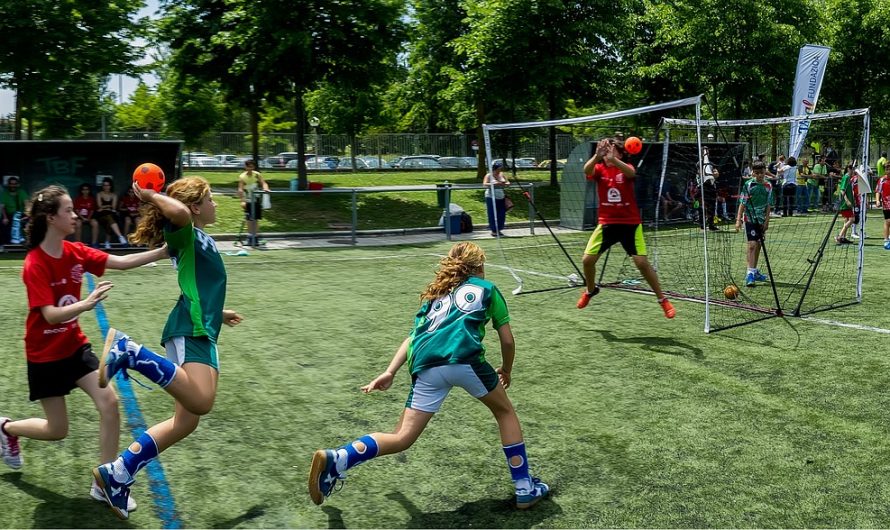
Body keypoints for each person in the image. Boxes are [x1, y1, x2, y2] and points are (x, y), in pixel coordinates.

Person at [307, 242, 549, 509]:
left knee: (401, 437)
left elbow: (413, 337)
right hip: (465, 359)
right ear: (479, 266)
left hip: (426, 366)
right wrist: (507, 369)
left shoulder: (436, 295)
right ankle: (525, 487)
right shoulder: (487, 289)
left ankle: (339, 457)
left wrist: (390, 371)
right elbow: (507, 339)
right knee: (505, 413)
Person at [0, 185, 167, 512]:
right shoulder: (34, 263)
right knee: (56, 430)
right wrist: (85, 303)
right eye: (68, 211)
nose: (75, 215)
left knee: (109, 402)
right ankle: (5, 429)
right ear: (51, 218)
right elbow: (49, 314)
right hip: (44, 356)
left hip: (73, 347)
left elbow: (120, 262)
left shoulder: (76, 251)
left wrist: (161, 252)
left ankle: (103, 483)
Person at [91, 176, 243, 520]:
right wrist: (149, 194)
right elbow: (178, 215)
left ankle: (118, 474)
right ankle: (130, 352)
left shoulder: (198, 238)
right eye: (209, 199)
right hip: (191, 328)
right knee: (202, 401)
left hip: (201, 326)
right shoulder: (186, 230)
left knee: (185, 421)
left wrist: (220, 312)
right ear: (194, 207)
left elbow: (198, 284)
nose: (215, 204)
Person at [576, 138, 675, 319]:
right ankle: (590, 290)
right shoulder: (599, 168)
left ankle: (663, 299)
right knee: (587, 260)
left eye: (610, 151)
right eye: (605, 151)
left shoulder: (626, 167)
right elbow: (586, 170)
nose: (607, 154)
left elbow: (630, 173)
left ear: (620, 153)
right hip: (607, 223)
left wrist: (614, 160)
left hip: (630, 224)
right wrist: (597, 156)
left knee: (641, 263)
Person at [734, 161, 774, 287]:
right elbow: (742, 203)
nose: (759, 175)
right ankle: (749, 274)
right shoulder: (749, 184)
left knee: (759, 245)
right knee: (752, 244)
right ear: (753, 172)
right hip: (750, 217)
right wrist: (738, 218)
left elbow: (768, 205)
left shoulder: (768, 185)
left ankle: (754, 270)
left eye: (761, 173)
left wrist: (767, 221)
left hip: (761, 219)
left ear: (765, 171)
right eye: (756, 173)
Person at [237, 159, 270, 247]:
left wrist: (265, 188)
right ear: (245, 167)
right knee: (249, 219)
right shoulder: (242, 176)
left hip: (256, 198)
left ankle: (256, 236)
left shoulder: (257, 174)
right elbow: (240, 189)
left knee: (255, 218)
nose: (250, 169)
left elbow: (263, 183)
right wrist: (242, 201)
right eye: (248, 167)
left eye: (251, 167)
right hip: (248, 199)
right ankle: (250, 236)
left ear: (253, 167)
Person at [94, 178, 128, 249]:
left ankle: (107, 242)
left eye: (108, 185)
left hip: (111, 214)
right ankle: (119, 237)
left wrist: (105, 207)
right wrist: (108, 206)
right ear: (102, 186)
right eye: (104, 185)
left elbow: (113, 207)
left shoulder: (114, 195)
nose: (106, 187)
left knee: (110, 219)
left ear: (110, 186)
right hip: (101, 215)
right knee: (109, 218)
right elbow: (99, 206)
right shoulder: (99, 194)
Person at [483, 160, 510, 237]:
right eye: (498, 168)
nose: (500, 170)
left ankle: (499, 229)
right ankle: (494, 230)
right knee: (492, 213)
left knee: (501, 213)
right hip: (491, 197)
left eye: (500, 168)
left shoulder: (502, 174)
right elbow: (484, 184)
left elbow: (508, 183)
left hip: (501, 196)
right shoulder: (489, 175)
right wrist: (494, 183)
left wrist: (504, 183)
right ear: (495, 168)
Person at [835, 165, 859, 245]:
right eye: (852, 169)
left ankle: (843, 238)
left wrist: (852, 200)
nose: (853, 171)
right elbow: (842, 190)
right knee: (852, 220)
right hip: (845, 204)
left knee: (846, 220)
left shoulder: (849, 178)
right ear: (848, 169)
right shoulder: (846, 177)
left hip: (848, 203)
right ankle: (839, 236)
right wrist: (847, 201)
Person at [1, 176, 29, 244]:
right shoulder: (4, 194)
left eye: (14, 184)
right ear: (8, 185)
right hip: (9, 215)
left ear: (17, 185)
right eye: (11, 184)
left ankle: (23, 241)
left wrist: (28, 215)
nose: (13, 186)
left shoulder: (22, 192)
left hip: (21, 214)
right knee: (3, 224)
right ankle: (6, 243)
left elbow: (27, 204)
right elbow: (2, 207)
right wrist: (5, 218)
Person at [875, 165, 890, 250]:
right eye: (887, 169)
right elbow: (878, 191)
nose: (888, 170)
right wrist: (877, 200)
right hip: (886, 203)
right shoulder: (882, 180)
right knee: (888, 221)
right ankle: (886, 239)